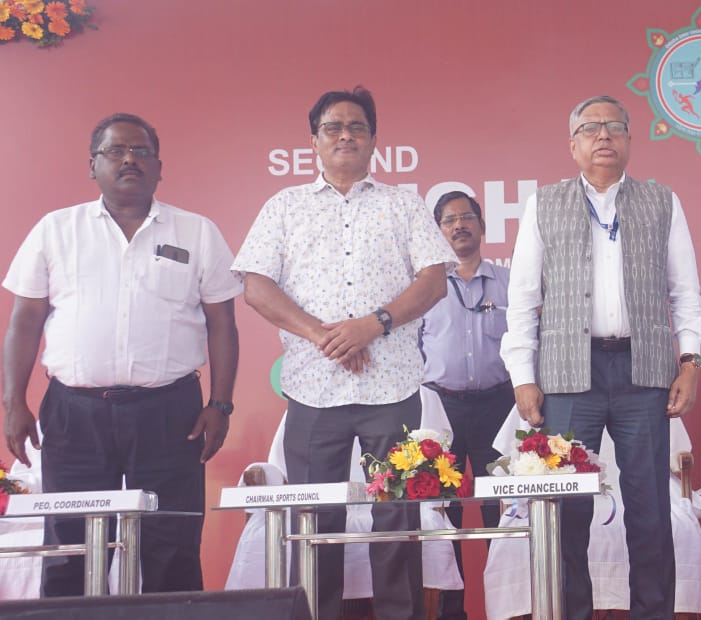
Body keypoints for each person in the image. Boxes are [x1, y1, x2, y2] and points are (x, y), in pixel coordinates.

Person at [232, 87, 457, 620]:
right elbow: (256, 287)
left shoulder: (403, 204)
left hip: (392, 387)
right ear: (313, 140)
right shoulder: (284, 207)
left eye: (357, 127)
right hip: (313, 389)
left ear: (374, 140)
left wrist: (371, 326)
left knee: (397, 516)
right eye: (332, 127)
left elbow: (433, 281)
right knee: (315, 520)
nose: (345, 136)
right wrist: (325, 337)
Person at [2, 113, 240, 596]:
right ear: (92, 165)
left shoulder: (197, 232)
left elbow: (223, 324)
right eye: (115, 151)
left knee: (172, 546)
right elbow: (24, 322)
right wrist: (13, 402)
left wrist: (220, 404)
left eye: (141, 151)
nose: (130, 159)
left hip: (170, 411)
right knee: (72, 548)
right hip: (74, 412)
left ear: (159, 167)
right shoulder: (56, 230)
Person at [500, 94, 701, 619]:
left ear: (631, 140)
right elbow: (522, 297)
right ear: (572, 145)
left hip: (644, 371)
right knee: (567, 508)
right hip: (569, 374)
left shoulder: (662, 200)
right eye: (590, 129)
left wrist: (689, 362)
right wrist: (523, 376)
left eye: (614, 126)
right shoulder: (544, 203)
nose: (604, 136)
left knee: (650, 507)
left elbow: (684, 291)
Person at [420, 191, 512, 620]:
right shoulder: (423, 288)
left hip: (500, 406)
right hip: (441, 411)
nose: (459, 225)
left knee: (504, 510)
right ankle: (449, 613)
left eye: (467, 217)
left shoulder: (510, 283)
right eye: (449, 220)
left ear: (481, 226)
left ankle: (510, 607)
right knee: (442, 512)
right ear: (437, 231)